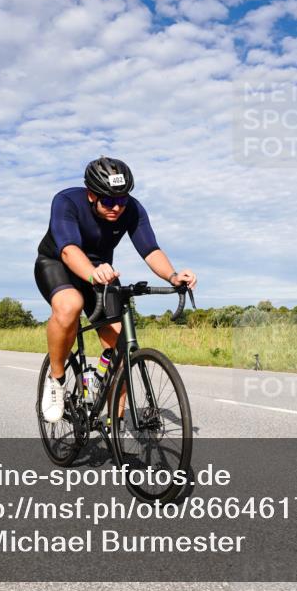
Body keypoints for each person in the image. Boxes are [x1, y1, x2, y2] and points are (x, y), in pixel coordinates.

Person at [34, 156, 196, 422]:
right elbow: (68, 249)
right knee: (70, 305)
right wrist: (90, 272)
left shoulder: (132, 209)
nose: (117, 208)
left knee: (120, 347)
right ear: (90, 195)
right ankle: (56, 380)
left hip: (101, 271)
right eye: (108, 201)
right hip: (57, 263)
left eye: (121, 201)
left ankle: (113, 428)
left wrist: (173, 276)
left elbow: (150, 249)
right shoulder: (66, 201)